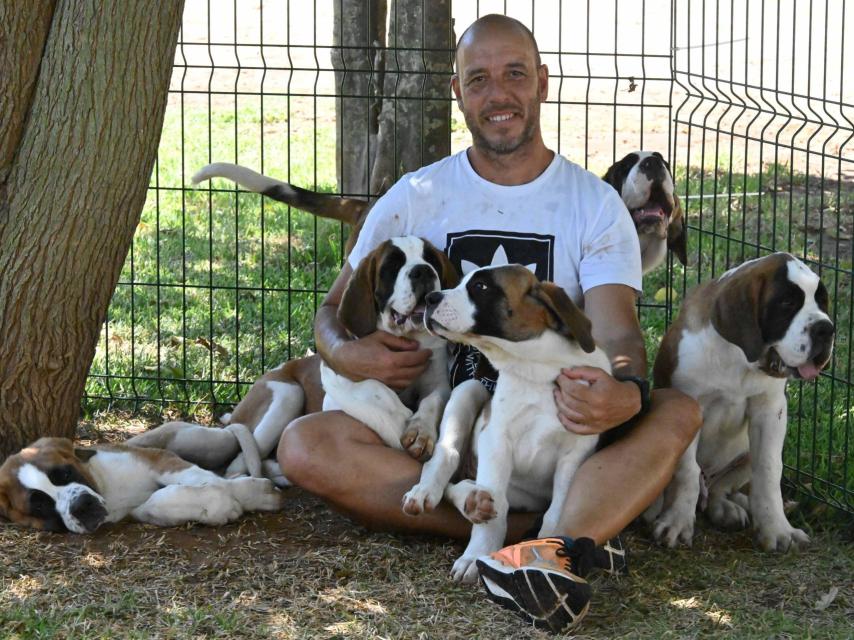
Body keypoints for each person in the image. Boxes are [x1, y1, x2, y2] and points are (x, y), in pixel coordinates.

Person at [279, 14, 701, 633]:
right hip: (457, 435)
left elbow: (617, 330)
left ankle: (554, 535)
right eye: (478, 79)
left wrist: (624, 390)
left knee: (677, 411)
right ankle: (550, 532)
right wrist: (346, 354)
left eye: (515, 75)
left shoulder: (593, 202)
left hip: (560, 430)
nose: (498, 95)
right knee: (304, 444)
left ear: (543, 83)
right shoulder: (416, 194)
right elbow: (329, 313)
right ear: (458, 93)